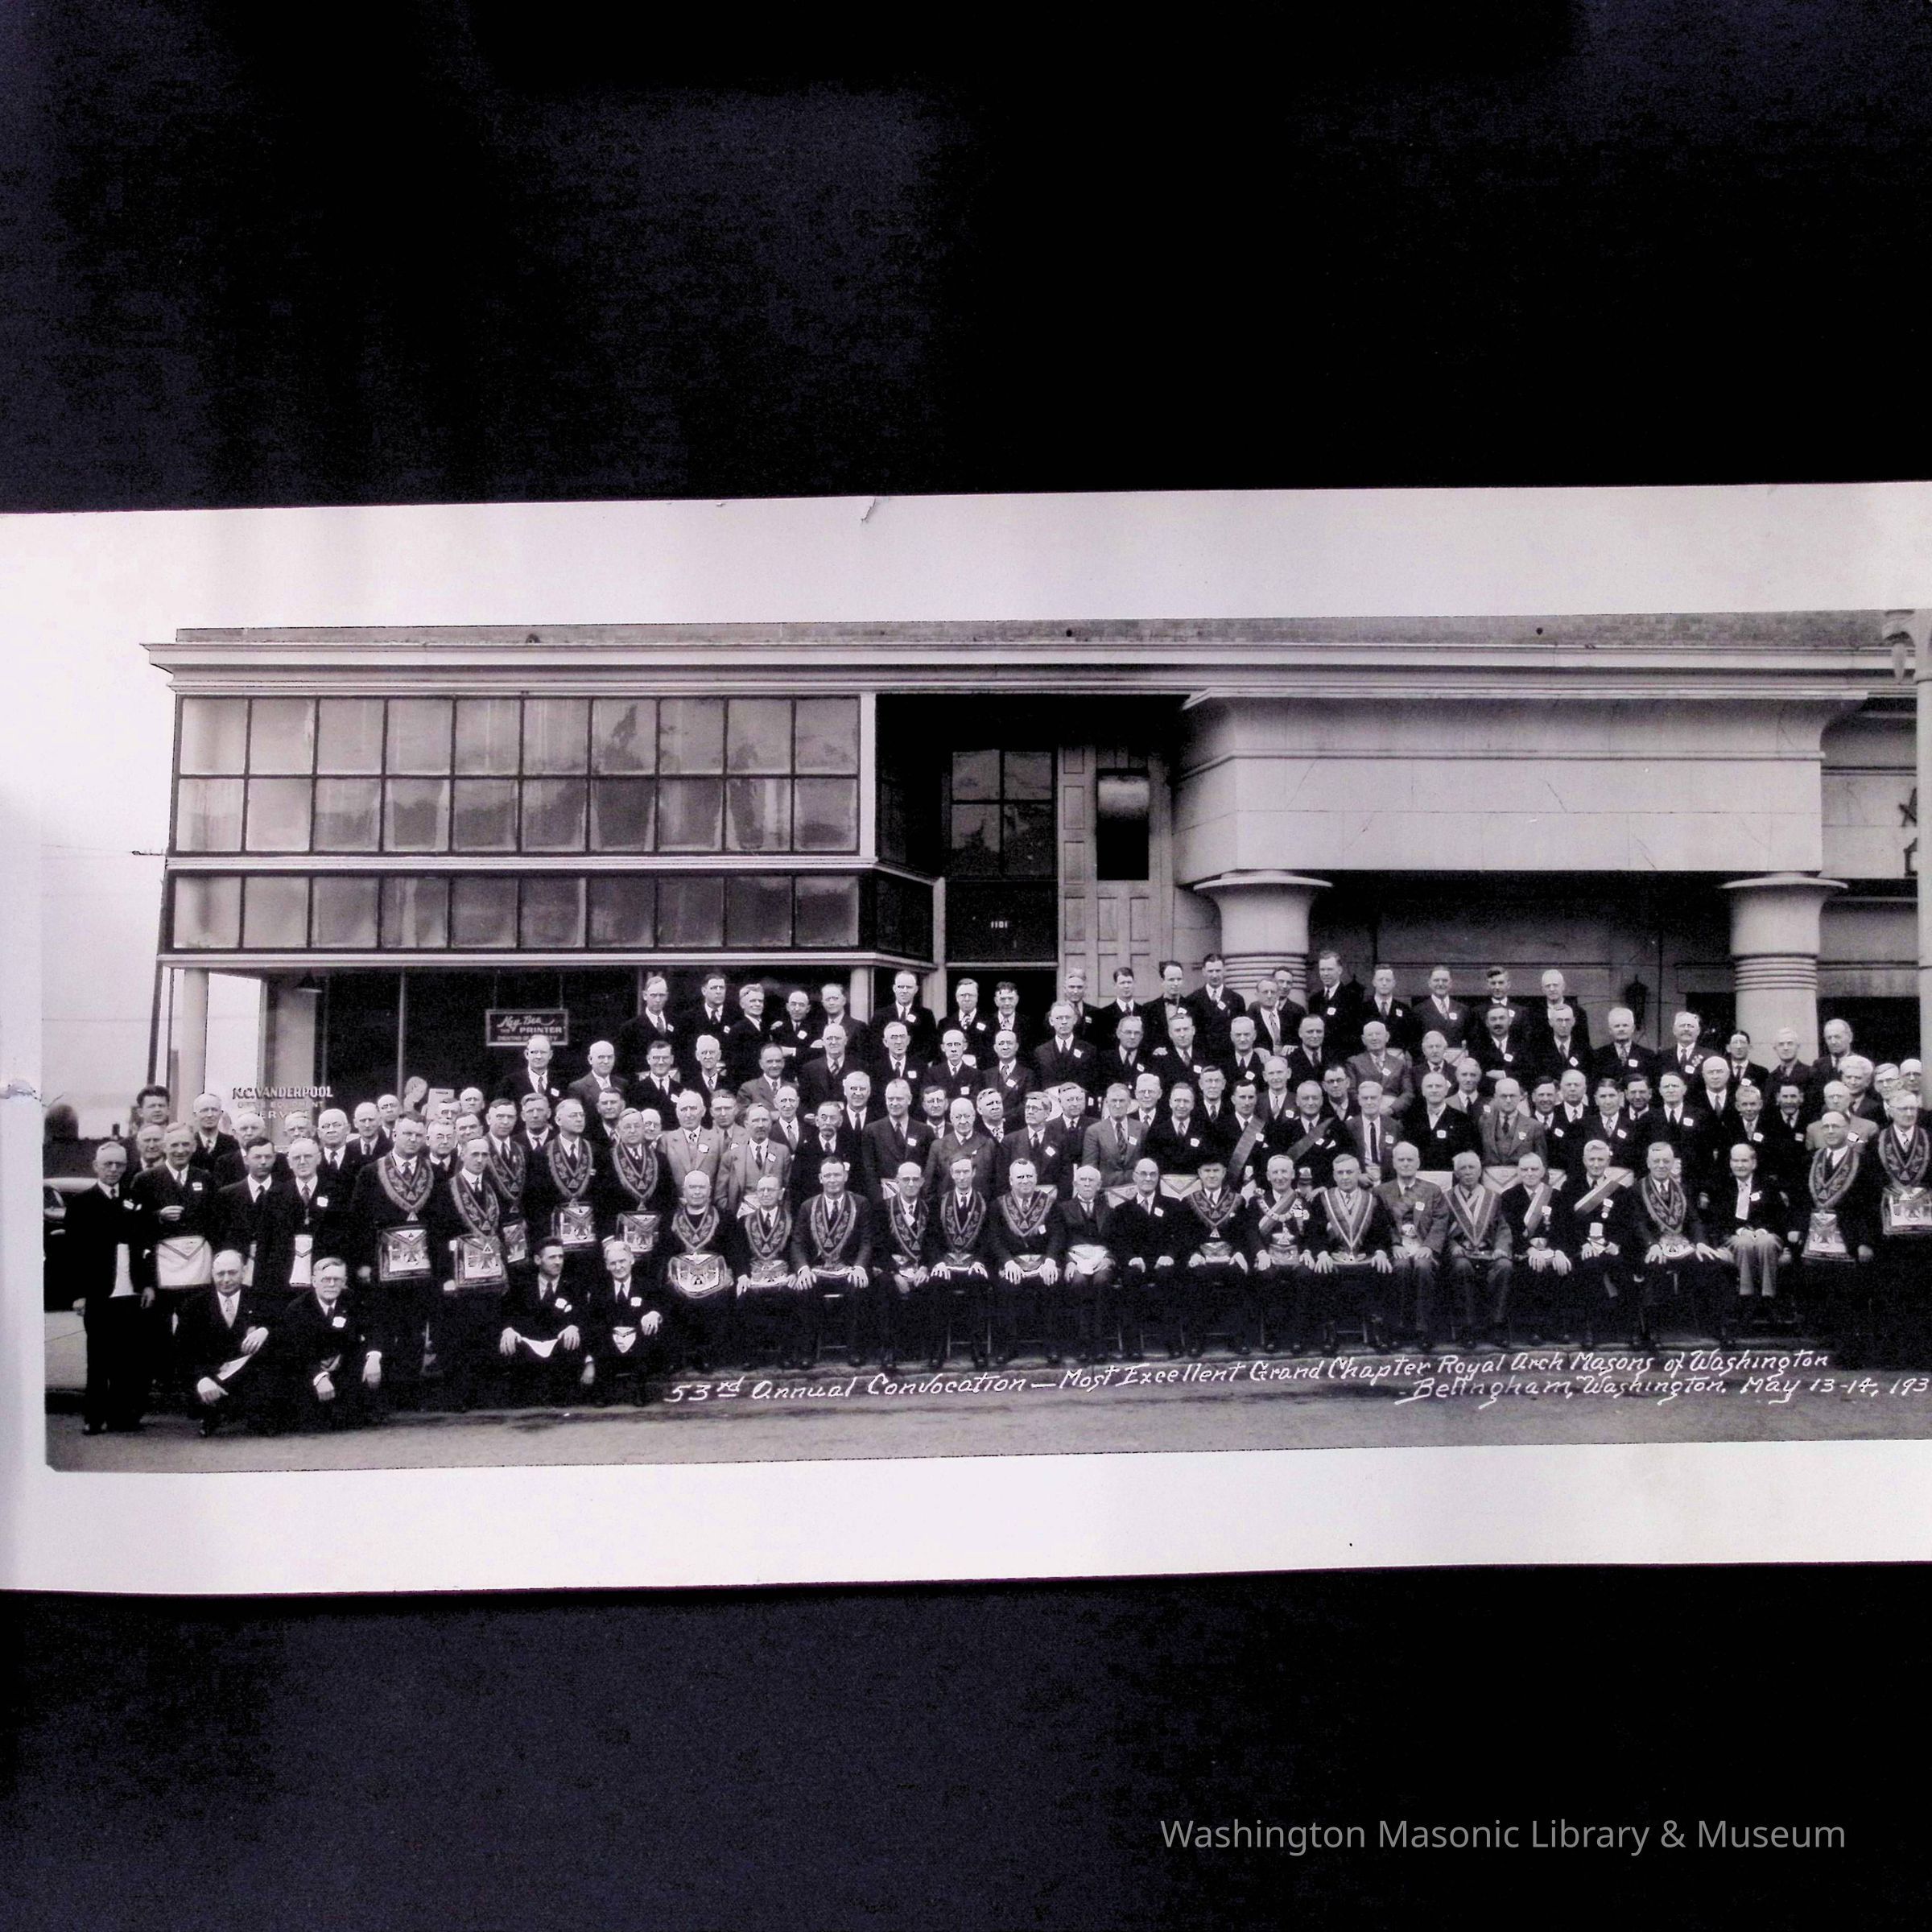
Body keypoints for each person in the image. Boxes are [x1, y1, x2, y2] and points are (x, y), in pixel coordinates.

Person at [347, 1113, 436, 1411]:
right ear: (395, 1134)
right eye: (407, 1134)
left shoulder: (432, 1172)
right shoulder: (371, 1172)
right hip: (382, 1265)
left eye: (418, 1135)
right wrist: (362, 1263)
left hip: (420, 1265)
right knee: (384, 1327)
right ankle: (380, 1395)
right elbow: (358, 1221)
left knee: (414, 1330)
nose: (413, 1140)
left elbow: (438, 1222)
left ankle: (407, 1393)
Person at [423, 1131, 518, 1410]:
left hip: (488, 1273)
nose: (479, 1159)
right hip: (458, 1276)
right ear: (462, 1155)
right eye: (474, 1154)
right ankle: (460, 1395)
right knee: (460, 1336)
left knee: (486, 1331)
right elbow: (436, 1236)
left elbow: (499, 1232)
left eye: (484, 1155)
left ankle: (483, 1395)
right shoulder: (445, 1190)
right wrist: (446, 1277)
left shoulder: (493, 1190)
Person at [68, 1139, 152, 1435]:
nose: (114, 1169)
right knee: (99, 1358)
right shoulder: (81, 1203)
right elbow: (73, 1254)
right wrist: (79, 1294)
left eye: (120, 1164)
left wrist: (148, 1285)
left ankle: (123, 1416)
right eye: (108, 1164)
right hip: (98, 1291)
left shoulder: (135, 1199)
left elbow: (146, 1245)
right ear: (96, 1166)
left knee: (127, 1358)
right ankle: (93, 1417)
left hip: (131, 1290)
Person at [1608, 1139, 1726, 1348]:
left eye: (1666, 1161)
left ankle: (1717, 1327)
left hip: (1682, 1245)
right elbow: (1637, 1223)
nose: (1661, 1165)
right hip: (1649, 1247)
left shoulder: (1683, 1189)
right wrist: (1652, 1244)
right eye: (1656, 1161)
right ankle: (1652, 1330)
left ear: (1673, 1163)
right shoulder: (1636, 1190)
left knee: (1710, 1262)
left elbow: (1693, 1220)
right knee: (1655, 1264)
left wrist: (1700, 1243)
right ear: (1648, 1163)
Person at [260, 1255, 382, 1431]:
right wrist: (319, 1376)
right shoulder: (297, 1308)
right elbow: (295, 1352)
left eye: (337, 1280)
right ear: (314, 1281)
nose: (331, 1284)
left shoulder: (353, 1300)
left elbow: (373, 1329)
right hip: (310, 1371)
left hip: (343, 1366)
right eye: (326, 1279)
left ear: (344, 1281)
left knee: (372, 1363)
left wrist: (373, 1358)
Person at [1298, 1151, 1397, 1352]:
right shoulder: (1322, 1200)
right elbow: (1313, 1233)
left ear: (1358, 1173)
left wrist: (1379, 1252)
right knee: (1321, 1271)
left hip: (1364, 1256)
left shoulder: (1372, 1199)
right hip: (1334, 1256)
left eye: (1349, 1172)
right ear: (1334, 1176)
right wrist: (1322, 1253)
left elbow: (1381, 1232)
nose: (1345, 1177)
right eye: (1340, 1173)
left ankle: (1377, 1330)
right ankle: (1330, 1333)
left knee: (1383, 1269)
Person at [175, 1248, 275, 1435]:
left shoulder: (260, 1300)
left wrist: (265, 1330)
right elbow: (182, 1351)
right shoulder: (194, 1305)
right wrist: (200, 1379)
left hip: (247, 1376)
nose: (226, 1279)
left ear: (244, 1272)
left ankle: (252, 1412)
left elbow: (281, 1332)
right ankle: (212, 1414)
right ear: (212, 1274)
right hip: (210, 1376)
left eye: (232, 1272)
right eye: (220, 1274)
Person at [790, 1155, 873, 1366]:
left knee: (859, 1288)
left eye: (837, 1175)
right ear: (820, 1178)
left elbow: (866, 1241)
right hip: (818, 1269)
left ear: (845, 1176)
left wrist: (860, 1267)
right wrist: (803, 1269)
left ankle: (854, 1350)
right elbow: (797, 1243)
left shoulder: (860, 1203)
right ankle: (807, 1352)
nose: (833, 1180)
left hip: (848, 1268)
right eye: (828, 1176)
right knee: (804, 1288)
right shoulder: (808, 1206)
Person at [1705, 1142, 1791, 1343]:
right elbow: (1717, 1218)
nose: (1740, 1165)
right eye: (1735, 1160)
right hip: (1734, 1235)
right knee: (1744, 1243)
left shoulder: (1768, 1185)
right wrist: (1740, 1229)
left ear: (1754, 1163)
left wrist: (1762, 1229)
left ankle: (1768, 1299)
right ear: (1730, 1163)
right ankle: (1747, 1300)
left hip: (1766, 1234)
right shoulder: (1722, 1186)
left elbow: (1780, 1216)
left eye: (1744, 1161)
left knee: (1765, 1243)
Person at [986, 1157, 1064, 1367]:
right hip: (1012, 1262)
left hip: (1042, 1261)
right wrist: (1007, 1262)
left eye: (1029, 1176)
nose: (1025, 1180)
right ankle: (1009, 1345)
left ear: (1036, 1178)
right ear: (1011, 1180)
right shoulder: (998, 1205)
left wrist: (1050, 1261)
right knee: (1006, 1286)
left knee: (1052, 1282)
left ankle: (1051, 1345)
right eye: (1020, 1177)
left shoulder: (1049, 1203)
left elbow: (1058, 1235)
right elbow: (993, 1238)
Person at [497, 1237, 594, 1405]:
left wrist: (574, 1326)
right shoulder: (522, 1286)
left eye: (561, 1257)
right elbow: (506, 1312)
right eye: (552, 1257)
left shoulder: (574, 1286)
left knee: (573, 1339)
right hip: (529, 1344)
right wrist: (508, 1330)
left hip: (560, 1347)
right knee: (509, 1343)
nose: (558, 1262)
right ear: (537, 1260)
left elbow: (584, 1315)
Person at [1174, 1155, 1254, 1356]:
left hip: (1230, 1258)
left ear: (1224, 1173)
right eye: (1207, 1171)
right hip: (1201, 1258)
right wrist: (1192, 1253)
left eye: (1216, 1170)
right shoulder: (1188, 1202)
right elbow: (1183, 1235)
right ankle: (1196, 1339)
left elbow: (1245, 1232)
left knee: (1239, 1276)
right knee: (1195, 1279)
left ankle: (1237, 1338)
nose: (1211, 1175)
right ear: (1200, 1174)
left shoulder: (1238, 1201)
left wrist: (1239, 1252)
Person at [658, 1171, 736, 1373]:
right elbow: (662, 1252)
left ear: (709, 1191)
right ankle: (676, 1357)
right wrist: (667, 1275)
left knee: (718, 1298)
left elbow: (734, 1251)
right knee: (669, 1296)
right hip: (680, 1279)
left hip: (715, 1280)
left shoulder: (724, 1217)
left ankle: (706, 1355)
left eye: (702, 1187)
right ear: (684, 1191)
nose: (697, 1192)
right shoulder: (670, 1219)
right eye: (692, 1187)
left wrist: (733, 1275)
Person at [1498, 1151, 1579, 1344]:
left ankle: (1555, 1327)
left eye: (1534, 1169)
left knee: (1562, 1268)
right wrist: (1530, 1250)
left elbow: (1566, 1229)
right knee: (1533, 1269)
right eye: (1524, 1169)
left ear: (1543, 1172)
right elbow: (1509, 1231)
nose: (1529, 1173)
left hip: (1553, 1249)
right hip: (1524, 1251)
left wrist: (1559, 1251)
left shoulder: (1557, 1196)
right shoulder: (1509, 1197)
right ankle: (1534, 1329)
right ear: (1518, 1172)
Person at [1439, 1150, 1513, 1351]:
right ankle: (1467, 1328)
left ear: (1480, 1171)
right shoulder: (1447, 1199)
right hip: (1461, 1253)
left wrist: (1500, 1248)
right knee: (1462, 1267)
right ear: (1456, 1173)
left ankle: (1496, 1325)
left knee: (1504, 1266)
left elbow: (1503, 1228)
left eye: (1472, 1167)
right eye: (1463, 1168)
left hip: (1489, 1252)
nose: (1468, 1172)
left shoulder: (1493, 1197)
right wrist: (1453, 1247)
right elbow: (1440, 1230)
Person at [926, 1153, 993, 1368]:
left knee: (978, 1283)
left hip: (974, 1262)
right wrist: (938, 1262)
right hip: (946, 1263)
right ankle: (937, 1349)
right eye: (957, 1172)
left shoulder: (986, 1202)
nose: (962, 1177)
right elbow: (930, 1238)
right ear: (951, 1174)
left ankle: (977, 1348)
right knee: (936, 1284)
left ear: (974, 1173)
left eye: (966, 1171)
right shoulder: (939, 1202)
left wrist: (980, 1260)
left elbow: (990, 1238)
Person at [1110, 1156, 1179, 1359]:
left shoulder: (1172, 1205)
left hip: (1162, 1263)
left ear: (1158, 1178)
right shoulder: (1121, 1210)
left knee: (1170, 1277)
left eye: (1153, 1174)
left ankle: (1173, 1342)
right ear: (1134, 1177)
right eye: (1143, 1174)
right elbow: (1117, 1241)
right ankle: (1132, 1346)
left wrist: (1169, 1256)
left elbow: (1180, 1238)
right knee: (1130, 1279)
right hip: (1136, 1264)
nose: (1148, 1178)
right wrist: (1130, 1258)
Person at [871, 1162, 935, 1372]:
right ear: (897, 1182)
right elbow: (878, 1247)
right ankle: (888, 1350)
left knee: (935, 1284)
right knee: (884, 1286)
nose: (910, 1184)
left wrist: (925, 1268)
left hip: (919, 1267)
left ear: (922, 1182)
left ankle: (928, 1350)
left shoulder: (930, 1209)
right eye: (906, 1179)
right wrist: (894, 1273)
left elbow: (933, 1244)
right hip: (891, 1269)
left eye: (915, 1179)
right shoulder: (882, 1208)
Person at [586, 1236, 666, 1402]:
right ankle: (604, 1389)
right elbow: (594, 1321)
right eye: (613, 1263)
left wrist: (654, 1313)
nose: (618, 1267)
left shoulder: (647, 1285)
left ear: (632, 1260)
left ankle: (639, 1389)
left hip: (639, 1343)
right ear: (607, 1266)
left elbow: (661, 1305)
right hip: (610, 1344)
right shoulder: (599, 1290)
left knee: (650, 1328)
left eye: (622, 1261)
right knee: (598, 1332)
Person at [1058, 1164, 1117, 1364]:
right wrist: (1068, 1262)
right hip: (1074, 1259)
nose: (1087, 1184)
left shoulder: (1109, 1209)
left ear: (1099, 1185)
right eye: (1082, 1180)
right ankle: (1081, 1342)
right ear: (1075, 1184)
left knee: (1102, 1282)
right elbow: (1059, 1240)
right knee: (1078, 1282)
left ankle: (1100, 1342)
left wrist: (1110, 1259)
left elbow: (1116, 1241)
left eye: (1091, 1180)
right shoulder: (1063, 1208)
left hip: (1102, 1258)